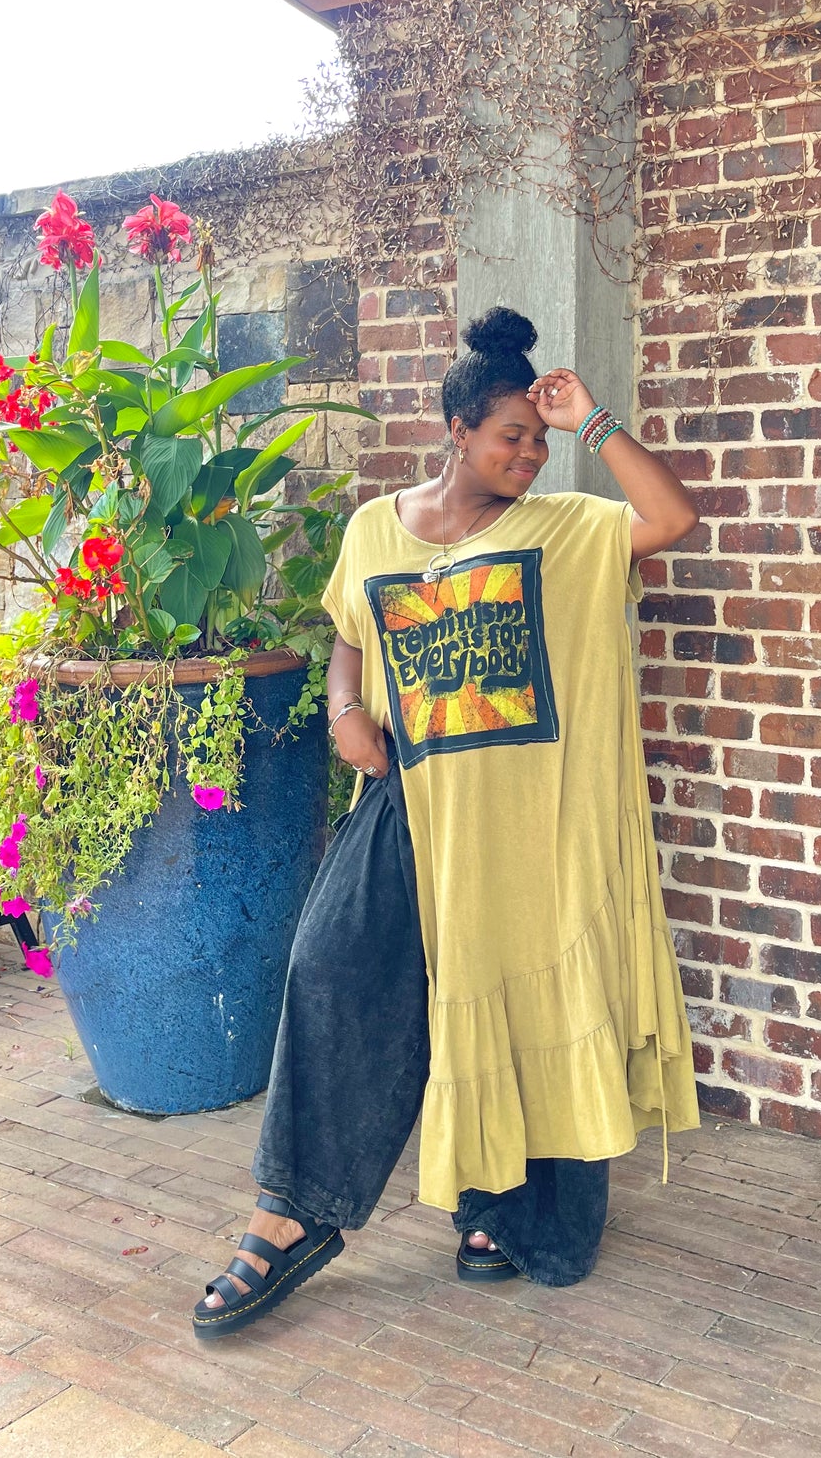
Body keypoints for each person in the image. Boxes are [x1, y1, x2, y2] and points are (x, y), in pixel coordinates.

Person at [193, 306, 701, 1339]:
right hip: (409, 805)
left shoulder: (561, 530)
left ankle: (500, 1206)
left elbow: (670, 516)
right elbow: (351, 629)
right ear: (457, 429)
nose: (531, 455)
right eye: (513, 435)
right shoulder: (373, 530)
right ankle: (291, 1214)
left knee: (515, 995)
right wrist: (343, 708)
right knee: (328, 970)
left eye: (541, 440)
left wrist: (593, 419)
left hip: (525, 828)